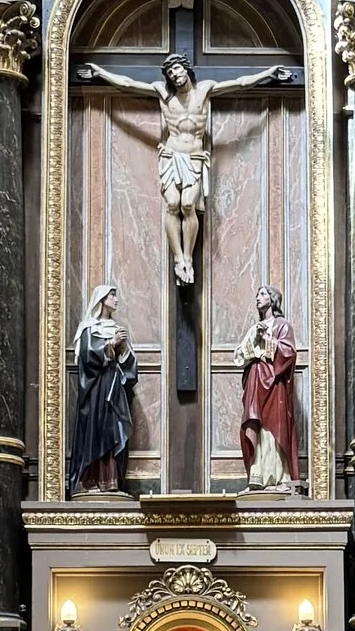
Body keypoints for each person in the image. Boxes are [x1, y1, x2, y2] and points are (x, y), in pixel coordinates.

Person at [76, 51, 299, 289]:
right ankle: (178, 257)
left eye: (178, 70)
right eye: (170, 73)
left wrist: (267, 74)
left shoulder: (204, 90)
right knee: (172, 204)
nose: (175, 75)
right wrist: (100, 73)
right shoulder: (163, 93)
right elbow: (129, 84)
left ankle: (189, 257)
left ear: (186, 69)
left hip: (193, 157)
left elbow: (240, 83)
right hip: (172, 155)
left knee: (187, 205)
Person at [69, 284, 138, 494]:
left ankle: (111, 481)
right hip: (96, 390)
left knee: (113, 430)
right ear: (101, 300)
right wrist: (111, 344)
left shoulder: (117, 327)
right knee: (96, 431)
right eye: (112, 296)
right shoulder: (89, 328)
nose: (116, 300)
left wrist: (123, 348)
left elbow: (130, 367)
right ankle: (90, 482)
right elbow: (87, 357)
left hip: (115, 388)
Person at [233, 286, 299, 489]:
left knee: (273, 424)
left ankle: (277, 477)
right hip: (255, 381)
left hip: (274, 384)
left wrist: (267, 340)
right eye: (256, 295)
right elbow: (239, 355)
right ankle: (258, 474)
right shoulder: (254, 329)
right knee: (255, 423)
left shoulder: (282, 326)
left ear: (273, 299)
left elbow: (289, 354)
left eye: (262, 294)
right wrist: (254, 341)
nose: (257, 298)